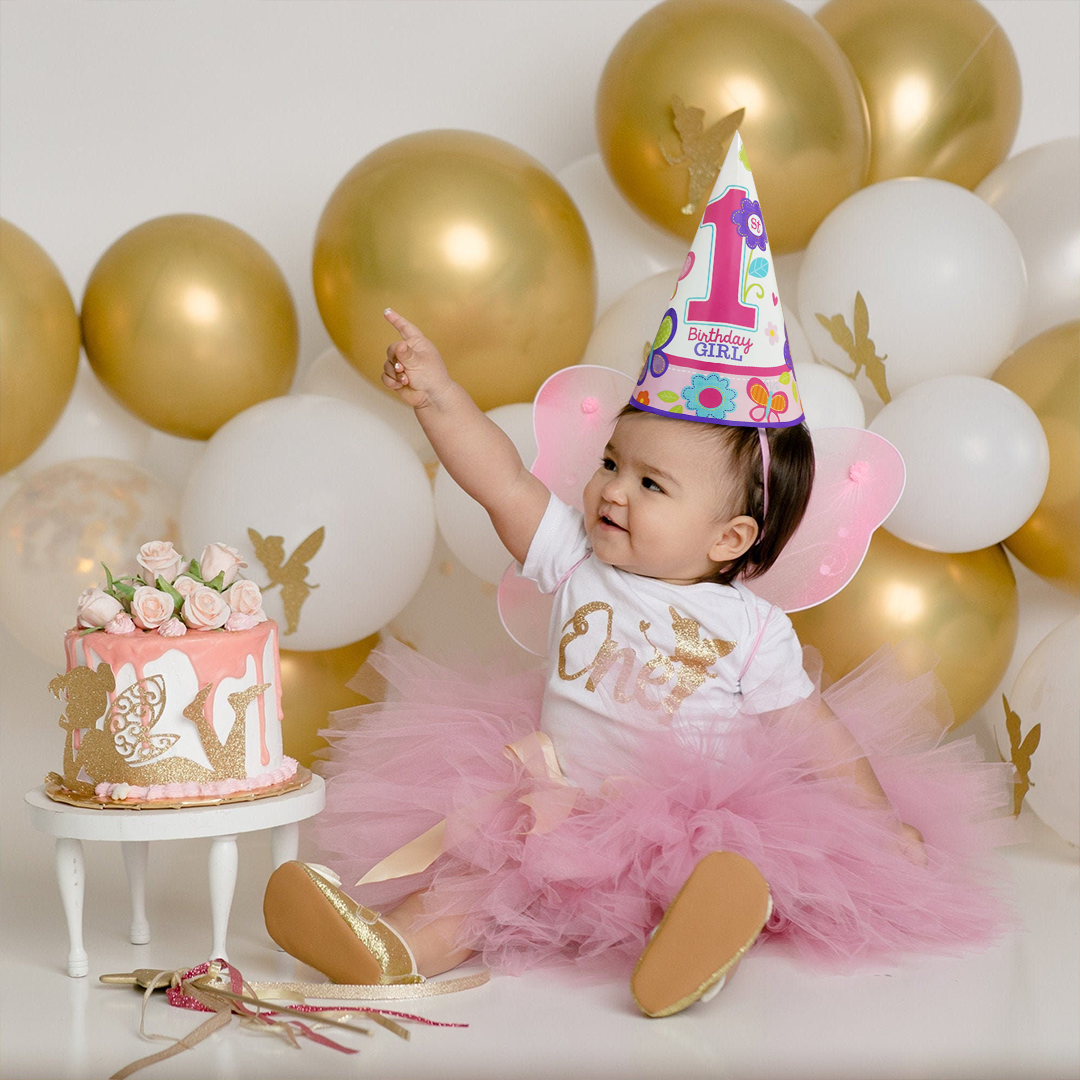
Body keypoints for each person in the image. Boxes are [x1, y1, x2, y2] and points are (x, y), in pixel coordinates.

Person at [265, 132, 1011, 1017]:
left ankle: (694, 945)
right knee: (483, 878)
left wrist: (879, 820)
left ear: (731, 536)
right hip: (559, 803)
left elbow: (819, 736)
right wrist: (438, 398)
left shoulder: (751, 630)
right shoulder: (572, 557)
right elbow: (499, 480)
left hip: (686, 820)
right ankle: (385, 949)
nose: (614, 489)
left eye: (652, 484)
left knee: (715, 868)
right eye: (613, 463)